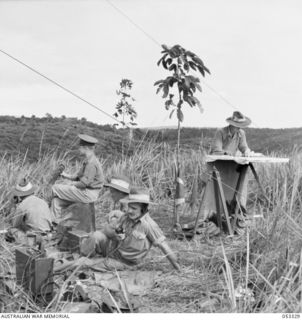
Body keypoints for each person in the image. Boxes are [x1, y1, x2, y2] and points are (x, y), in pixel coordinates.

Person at [79, 187, 181, 271]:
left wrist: (178, 269)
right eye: (129, 207)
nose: (129, 211)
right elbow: (108, 230)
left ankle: (81, 263)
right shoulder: (126, 217)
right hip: (113, 251)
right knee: (96, 235)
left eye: (134, 208)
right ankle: (85, 256)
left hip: (126, 262)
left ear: (143, 209)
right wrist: (114, 233)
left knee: (87, 264)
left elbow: (165, 248)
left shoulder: (149, 225)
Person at [50, 134, 103, 220]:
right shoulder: (88, 160)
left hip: (88, 194)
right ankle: (54, 223)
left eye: (80, 147)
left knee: (55, 188)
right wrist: (65, 175)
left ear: (85, 148)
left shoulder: (91, 164)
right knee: (56, 201)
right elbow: (78, 176)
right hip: (86, 192)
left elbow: (83, 184)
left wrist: (69, 184)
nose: (79, 149)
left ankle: (42, 206)